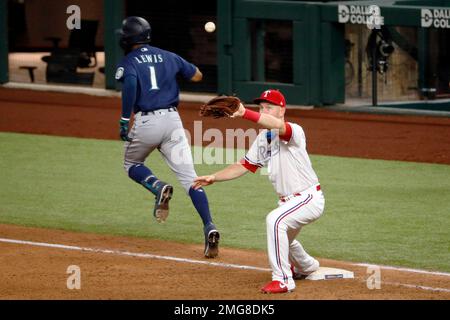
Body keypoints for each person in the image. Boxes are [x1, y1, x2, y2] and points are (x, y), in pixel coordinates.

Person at [193, 89, 325, 293]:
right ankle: (307, 266)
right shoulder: (264, 138)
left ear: (282, 110)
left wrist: (246, 113)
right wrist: (214, 177)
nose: (265, 111)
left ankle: (283, 280)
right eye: (262, 108)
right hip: (289, 202)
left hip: (308, 198)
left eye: (269, 107)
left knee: (275, 221)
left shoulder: (294, 131)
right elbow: (244, 165)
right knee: (284, 240)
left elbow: (278, 126)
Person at [115, 16, 220, 258]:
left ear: (127, 38)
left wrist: (123, 119)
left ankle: (158, 186)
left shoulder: (129, 61)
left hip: (147, 122)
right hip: (173, 122)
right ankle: (209, 226)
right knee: (191, 179)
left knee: (131, 164)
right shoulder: (168, 55)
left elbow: (130, 85)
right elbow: (197, 76)